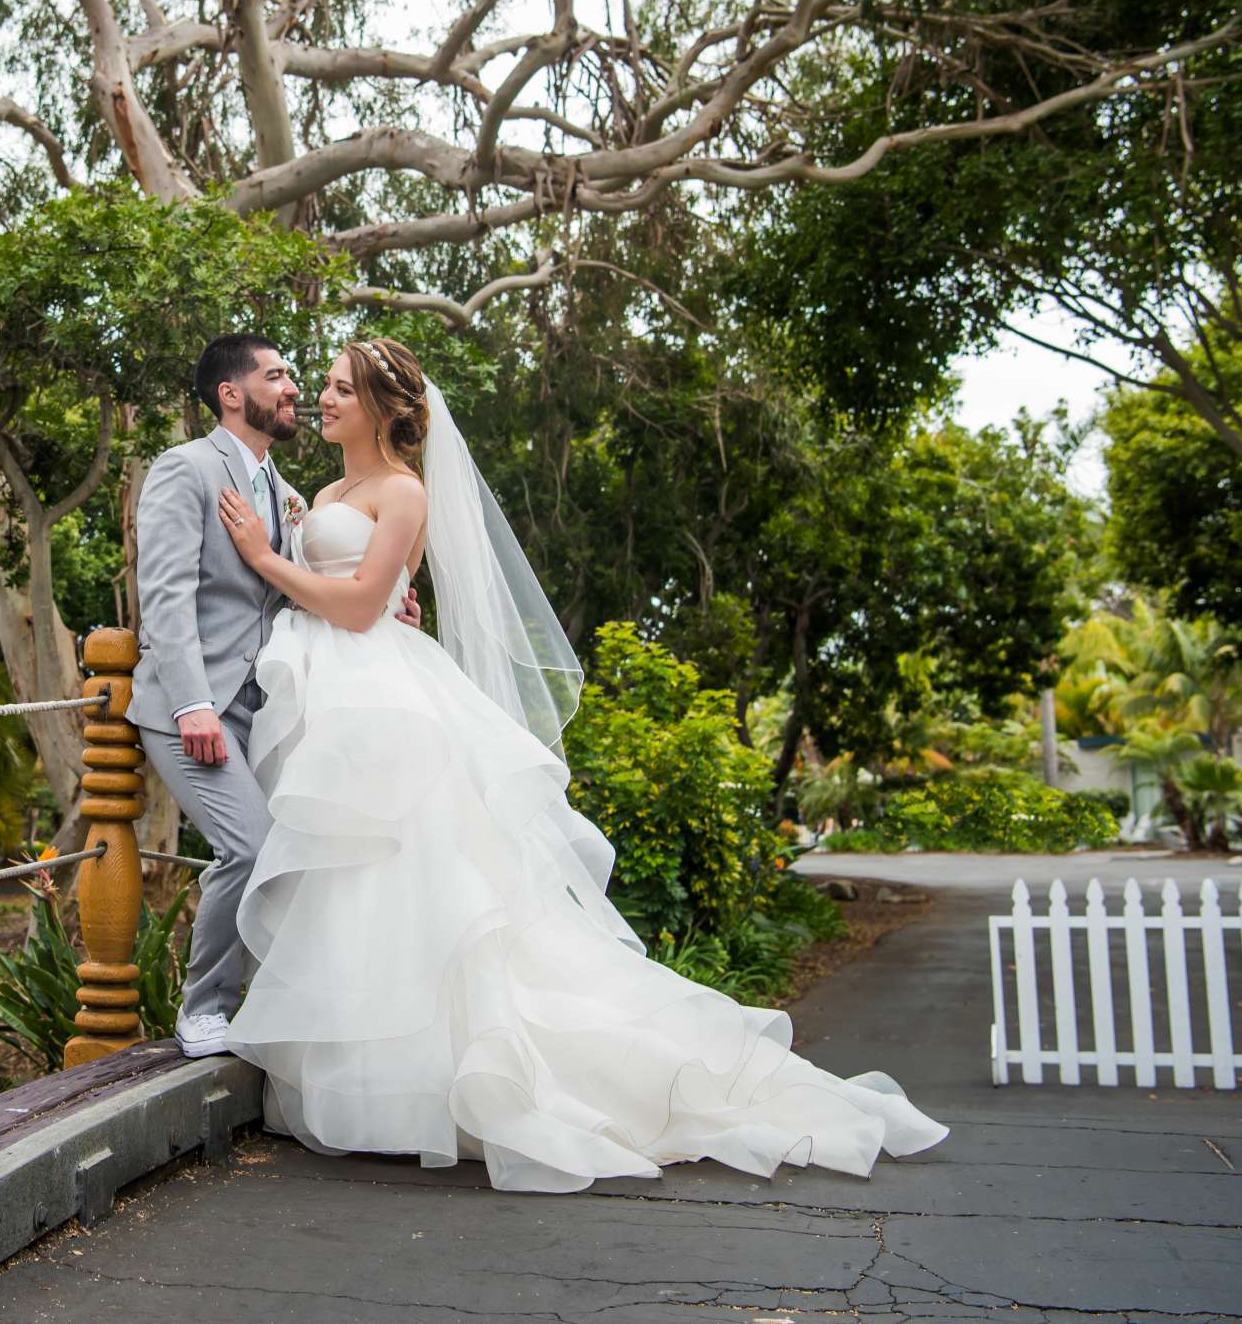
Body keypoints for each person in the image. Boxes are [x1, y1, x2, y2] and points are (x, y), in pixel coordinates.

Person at [208, 337, 949, 1192]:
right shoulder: (331, 490)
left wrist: (268, 557)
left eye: (339, 389)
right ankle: (373, 1082)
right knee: (355, 892)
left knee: (415, 884)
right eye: (324, 386)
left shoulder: (405, 490)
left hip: (382, 700)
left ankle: (466, 1082)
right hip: (332, 697)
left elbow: (368, 600)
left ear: (381, 408)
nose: (323, 398)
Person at [126, 334, 421, 1057]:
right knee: (251, 846)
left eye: (301, 379)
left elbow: (312, 591)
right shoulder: (185, 469)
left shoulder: (290, 494)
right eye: (279, 376)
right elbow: (164, 594)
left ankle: (290, 1013)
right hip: (190, 709)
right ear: (233, 393)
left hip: (264, 709)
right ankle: (204, 1012)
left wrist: (390, 608)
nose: (296, 390)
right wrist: (191, 702)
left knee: (307, 851)